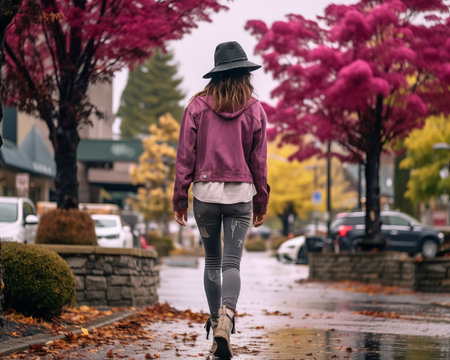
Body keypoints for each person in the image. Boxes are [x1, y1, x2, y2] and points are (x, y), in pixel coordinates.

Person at [172, 41, 270, 359]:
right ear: (245, 74)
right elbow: (260, 163)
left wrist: (180, 198)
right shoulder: (256, 110)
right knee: (232, 264)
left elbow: (185, 156)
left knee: (212, 261)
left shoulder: (196, 107)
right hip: (241, 194)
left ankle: (217, 329)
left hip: (204, 194)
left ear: (215, 75)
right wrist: (261, 202)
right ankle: (227, 319)